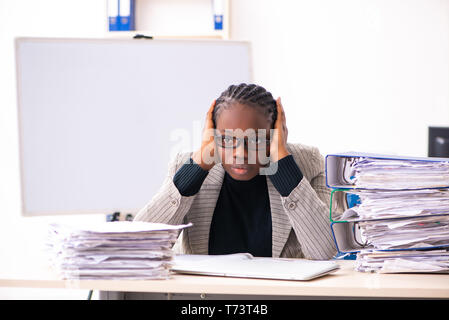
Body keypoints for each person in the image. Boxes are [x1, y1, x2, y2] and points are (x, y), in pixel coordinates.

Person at [134, 83, 343, 260]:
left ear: (275, 135)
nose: (241, 153)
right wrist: (198, 166)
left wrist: (282, 165)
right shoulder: (187, 167)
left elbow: (325, 251)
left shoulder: (307, 164)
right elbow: (139, 249)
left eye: (256, 139)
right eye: (227, 139)